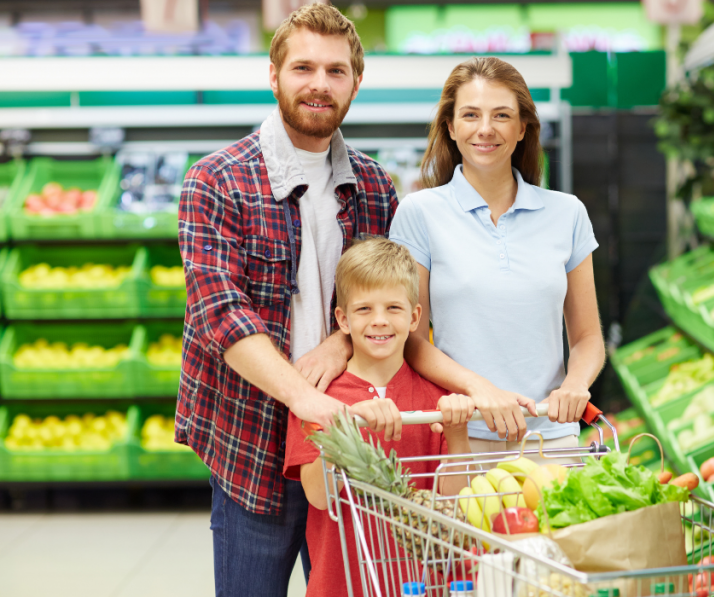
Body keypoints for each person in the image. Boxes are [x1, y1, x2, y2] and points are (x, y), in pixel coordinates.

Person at [175, 5, 397, 596]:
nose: (319, 84)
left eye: (336, 70)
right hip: (254, 443)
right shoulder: (216, 181)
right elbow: (220, 312)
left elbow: (388, 301)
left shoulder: (374, 187)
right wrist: (305, 399)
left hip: (350, 450)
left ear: (355, 81)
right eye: (303, 67)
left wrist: (338, 340)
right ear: (273, 75)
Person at [389, 57, 606, 464]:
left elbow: (588, 337)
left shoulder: (567, 213)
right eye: (470, 114)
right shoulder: (418, 214)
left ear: (523, 127)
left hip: (552, 438)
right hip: (461, 437)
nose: (485, 129)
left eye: (501, 115)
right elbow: (412, 341)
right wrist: (480, 390)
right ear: (451, 127)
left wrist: (575, 386)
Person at [284, 237, 474, 597]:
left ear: (415, 317)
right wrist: (346, 428)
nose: (380, 321)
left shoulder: (435, 396)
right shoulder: (318, 399)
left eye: (393, 308)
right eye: (364, 310)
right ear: (342, 319)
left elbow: (454, 504)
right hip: (342, 586)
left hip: (426, 585)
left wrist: (459, 434)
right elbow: (318, 495)